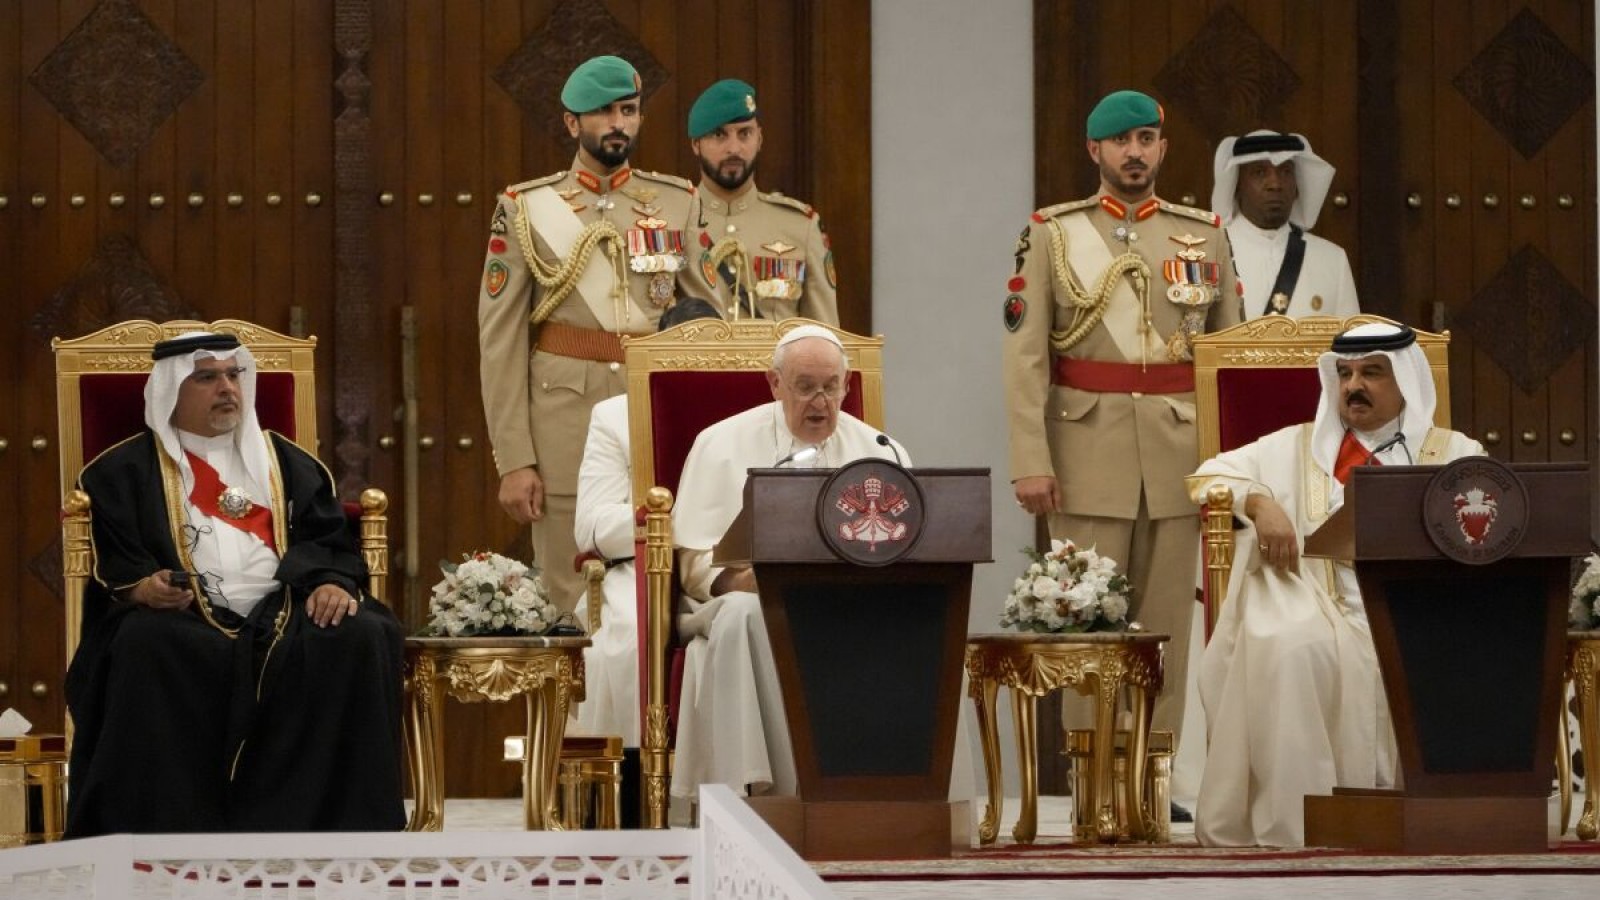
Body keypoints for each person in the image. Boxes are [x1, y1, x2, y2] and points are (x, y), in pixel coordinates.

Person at [64, 332, 406, 836]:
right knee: (142, 643)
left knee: (361, 635)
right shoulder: (120, 472)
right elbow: (117, 560)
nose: (227, 387)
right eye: (207, 378)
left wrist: (330, 581)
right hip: (183, 620)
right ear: (172, 390)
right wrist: (141, 589)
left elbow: (326, 536)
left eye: (233, 375)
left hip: (286, 611)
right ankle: (165, 831)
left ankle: (333, 827)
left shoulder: (288, 462)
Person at [1002, 89, 1243, 780]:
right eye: (1120, 142)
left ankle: (1153, 777)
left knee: (1163, 625)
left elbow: (1227, 357)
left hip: (1179, 455)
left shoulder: (1204, 233)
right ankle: (1092, 778)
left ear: (1163, 148)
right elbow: (1025, 356)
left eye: (1145, 139)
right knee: (1084, 623)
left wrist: (1230, 466)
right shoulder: (1051, 232)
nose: (1134, 153)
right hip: (1083, 453)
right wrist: (1029, 460)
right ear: (1094, 151)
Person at [1186, 322, 1483, 847]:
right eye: (1344, 374)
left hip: (1417, 606)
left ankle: (1440, 818)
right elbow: (1208, 476)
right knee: (1290, 645)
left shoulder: (1455, 451)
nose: (1353, 386)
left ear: (1407, 381)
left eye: (1372, 373)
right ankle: (1300, 826)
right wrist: (1260, 503)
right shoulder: (1296, 447)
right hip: (1315, 598)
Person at [479, 54, 696, 614]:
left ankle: (654, 706)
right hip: (563, 425)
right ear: (572, 123)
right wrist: (514, 459)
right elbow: (500, 340)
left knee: (669, 587)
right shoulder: (525, 208)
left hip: (657, 413)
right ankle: (575, 708)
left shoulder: (677, 202)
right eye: (602, 113)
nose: (618, 122)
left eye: (628, 109)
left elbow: (707, 321)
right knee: (569, 596)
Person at [669, 326, 908, 798]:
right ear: (775, 385)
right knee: (742, 617)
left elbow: (907, 542)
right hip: (749, 600)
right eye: (805, 387)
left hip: (846, 599)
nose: (820, 401)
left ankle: (893, 793)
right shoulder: (720, 444)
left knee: (920, 619)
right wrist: (744, 580)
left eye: (831, 387)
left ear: (846, 385)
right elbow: (694, 562)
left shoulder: (880, 451)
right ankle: (748, 792)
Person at [572, 298, 723, 746]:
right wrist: (672, 520)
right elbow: (592, 526)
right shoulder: (616, 415)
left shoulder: (752, 409)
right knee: (626, 642)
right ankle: (638, 780)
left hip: (727, 560)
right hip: (642, 564)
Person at [681, 78, 838, 324]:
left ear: (760, 139)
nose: (734, 148)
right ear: (696, 144)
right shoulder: (673, 220)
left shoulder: (800, 227)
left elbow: (824, 335)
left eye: (745, 133)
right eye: (719, 134)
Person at [1212, 130, 1359, 319]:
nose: (1275, 183)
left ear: (1297, 185)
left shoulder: (1332, 260)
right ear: (1237, 184)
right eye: (1259, 172)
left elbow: (1351, 346)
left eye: (1285, 171)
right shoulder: (1211, 254)